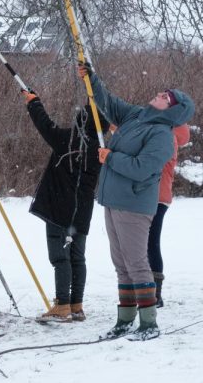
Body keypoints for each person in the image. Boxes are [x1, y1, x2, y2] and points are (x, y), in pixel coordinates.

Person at [78, 63, 195, 340]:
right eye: (163, 93)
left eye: (166, 97)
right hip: (113, 200)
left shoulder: (162, 136)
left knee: (136, 263)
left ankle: (149, 323)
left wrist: (111, 157)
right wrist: (91, 78)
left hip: (134, 204)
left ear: (174, 110)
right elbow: (109, 103)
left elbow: (142, 168)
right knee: (121, 263)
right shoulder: (137, 116)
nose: (160, 94)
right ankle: (125, 320)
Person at [23, 89, 102, 322]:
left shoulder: (68, 140)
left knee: (60, 257)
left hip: (59, 210)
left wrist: (33, 103)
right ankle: (76, 304)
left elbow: (45, 125)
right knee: (77, 257)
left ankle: (63, 305)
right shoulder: (101, 150)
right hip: (83, 212)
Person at [148, 124, 192, 307]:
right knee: (150, 243)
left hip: (155, 196)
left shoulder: (166, 135)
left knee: (149, 243)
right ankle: (151, 292)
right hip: (159, 195)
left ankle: (154, 294)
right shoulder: (168, 131)